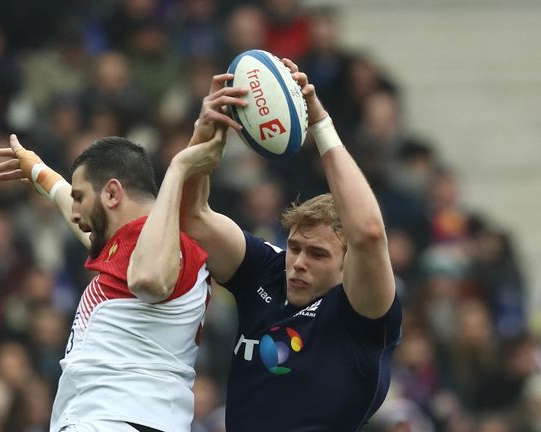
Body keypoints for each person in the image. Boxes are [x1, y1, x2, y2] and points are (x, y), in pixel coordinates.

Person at [171, 58, 403, 430]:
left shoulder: (362, 312)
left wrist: (321, 125)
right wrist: (204, 133)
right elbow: (192, 220)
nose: (297, 262)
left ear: (348, 264)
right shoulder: (267, 272)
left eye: (317, 254)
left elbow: (369, 233)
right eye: (295, 247)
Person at [0, 130, 226, 431]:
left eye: (81, 198)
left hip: (116, 421)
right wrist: (40, 172)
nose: (74, 213)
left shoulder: (160, 250)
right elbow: (89, 231)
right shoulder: (130, 247)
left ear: (112, 193)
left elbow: (150, 281)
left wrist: (178, 171)